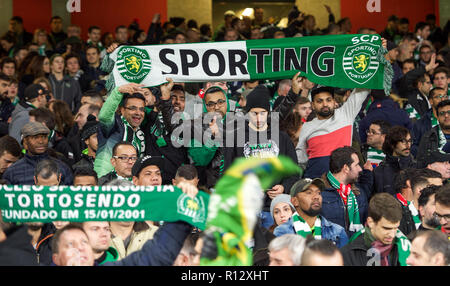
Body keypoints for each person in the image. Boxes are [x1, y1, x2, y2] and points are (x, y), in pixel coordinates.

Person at [223, 85, 299, 228]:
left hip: (276, 209)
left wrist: (283, 187)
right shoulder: (235, 137)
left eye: (263, 113)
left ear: (268, 112)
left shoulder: (281, 137)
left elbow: (294, 171)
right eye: (254, 113)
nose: (258, 118)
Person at [296, 85, 371, 178]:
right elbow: (300, 160)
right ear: (313, 105)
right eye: (320, 101)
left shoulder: (346, 114)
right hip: (314, 182)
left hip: (341, 182)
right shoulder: (307, 126)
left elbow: (363, 87)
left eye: (328, 100)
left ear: (334, 101)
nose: (325, 104)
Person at [273, 178, 349, 248]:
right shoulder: (281, 232)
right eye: (309, 193)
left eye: (318, 193)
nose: (316, 197)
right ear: (295, 201)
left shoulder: (338, 231)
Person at [340, 193, 411, 266]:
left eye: (396, 228)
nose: (392, 234)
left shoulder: (403, 248)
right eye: (386, 228)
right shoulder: (347, 255)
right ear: (370, 222)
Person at [93, 82, 146, 178]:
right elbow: (104, 117)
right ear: (122, 110)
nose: (138, 113)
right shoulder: (115, 126)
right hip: (108, 183)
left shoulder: (140, 134)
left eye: (142, 109)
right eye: (133, 108)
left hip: (130, 186)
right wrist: (117, 92)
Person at [319, 146, 371, 237]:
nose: (360, 169)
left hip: (355, 247)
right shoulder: (320, 193)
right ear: (346, 168)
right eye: (356, 165)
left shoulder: (359, 193)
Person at [3, 122, 73, 185]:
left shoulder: (62, 168)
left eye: (44, 137)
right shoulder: (12, 172)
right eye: (35, 137)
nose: (41, 141)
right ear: (25, 142)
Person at [374, 126, 416, 195]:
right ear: (392, 144)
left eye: (409, 141)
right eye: (403, 141)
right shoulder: (379, 171)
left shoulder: (417, 168)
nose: (408, 145)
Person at [411, 87, 448, 156]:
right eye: (439, 97)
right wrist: (426, 154)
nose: (443, 99)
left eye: (445, 96)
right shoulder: (420, 123)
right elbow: (413, 146)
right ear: (431, 101)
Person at [417, 100, 450, 166]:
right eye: (442, 113)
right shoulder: (429, 136)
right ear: (437, 117)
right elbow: (421, 163)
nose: (446, 115)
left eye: (449, 112)